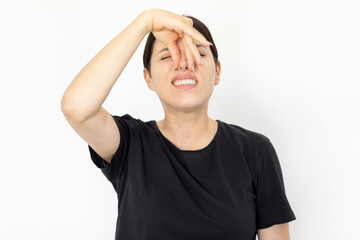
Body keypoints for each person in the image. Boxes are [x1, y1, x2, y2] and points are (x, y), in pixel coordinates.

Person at [61, 8, 296, 240]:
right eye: (167, 55)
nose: (184, 63)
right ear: (148, 78)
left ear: (217, 72)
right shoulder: (131, 144)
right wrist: (146, 21)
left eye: (199, 53)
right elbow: (76, 108)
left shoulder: (255, 150)